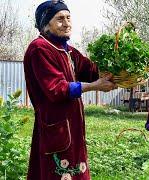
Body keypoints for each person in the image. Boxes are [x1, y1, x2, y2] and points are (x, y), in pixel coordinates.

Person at [23, 1, 117, 179]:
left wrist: (119, 73)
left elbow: (91, 70)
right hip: (56, 126)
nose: (66, 23)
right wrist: (95, 86)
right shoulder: (39, 49)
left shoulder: (68, 51)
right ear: (45, 25)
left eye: (68, 17)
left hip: (72, 125)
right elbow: (57, 89)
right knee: (57, 172)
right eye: (59, 19)